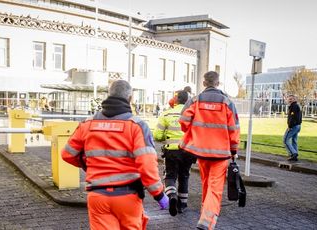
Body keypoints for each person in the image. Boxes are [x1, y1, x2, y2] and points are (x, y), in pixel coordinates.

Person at [62, 80, 168, 230]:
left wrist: (89, 164)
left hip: (97, 196)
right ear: (130, 98)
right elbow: (147, 164)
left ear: (108, 95)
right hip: (128, 197)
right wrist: (158, 194)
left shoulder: (87, 124)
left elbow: (67, 154)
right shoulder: (137, 126)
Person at [179, 71, 240, 230]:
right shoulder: (227, 103)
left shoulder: (195, 101)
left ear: (204, 83)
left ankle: (204, 214)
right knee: (215, 187)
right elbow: (234, 130)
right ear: (218, 83)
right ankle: (206, 221)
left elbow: (183, 121)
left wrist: (195, 131)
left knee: (206, 184)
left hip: (201, 152)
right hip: (221, 153)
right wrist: (233, 151)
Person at [153, 90, 196, 216]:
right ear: (187, 100)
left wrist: (166, 136)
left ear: (175, 100)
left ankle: (172, 196)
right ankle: (182, 205)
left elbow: (157, 135)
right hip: (188, 150)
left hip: (171, 151)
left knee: (170, 176)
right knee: (184, 176)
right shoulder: (193, 114)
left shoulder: (166, 114)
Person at [283, 94, 302, 161]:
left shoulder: (293, 106)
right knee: (294, 140)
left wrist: (290, 126)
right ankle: (295, 156)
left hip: (293, 126)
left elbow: (292, 117)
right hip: (298, 126)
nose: (290, 100)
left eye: (291, 99)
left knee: (285, 140)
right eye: (289, 99)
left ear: (294, 99)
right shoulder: (297, 106)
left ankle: (293, 153)